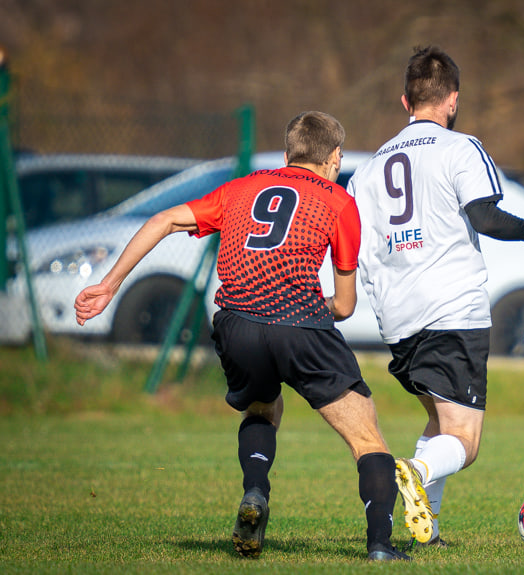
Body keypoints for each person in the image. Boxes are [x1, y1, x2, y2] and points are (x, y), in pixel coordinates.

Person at [74, 111, 410, 562]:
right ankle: (381, 547)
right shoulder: (338, 201)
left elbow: (164, 220)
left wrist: (109, 284)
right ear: (334, 157)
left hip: (236, 324)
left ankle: (255, 492)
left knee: (261, 406)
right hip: (301, 326)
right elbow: (345, 306)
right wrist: (307, 311)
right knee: (367, 438)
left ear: (289, 152)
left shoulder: (242, 187)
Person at [347, 45, 524, 546]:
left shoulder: (367, 170)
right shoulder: (460, 148)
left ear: (404, 101)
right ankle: (410, 472)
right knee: (465, 442)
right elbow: (487, 218)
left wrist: (377, 295)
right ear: (451, 100)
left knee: (438, 420)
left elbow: (357, 248)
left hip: (398, 319)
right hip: (452, 310)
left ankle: (426, 530)